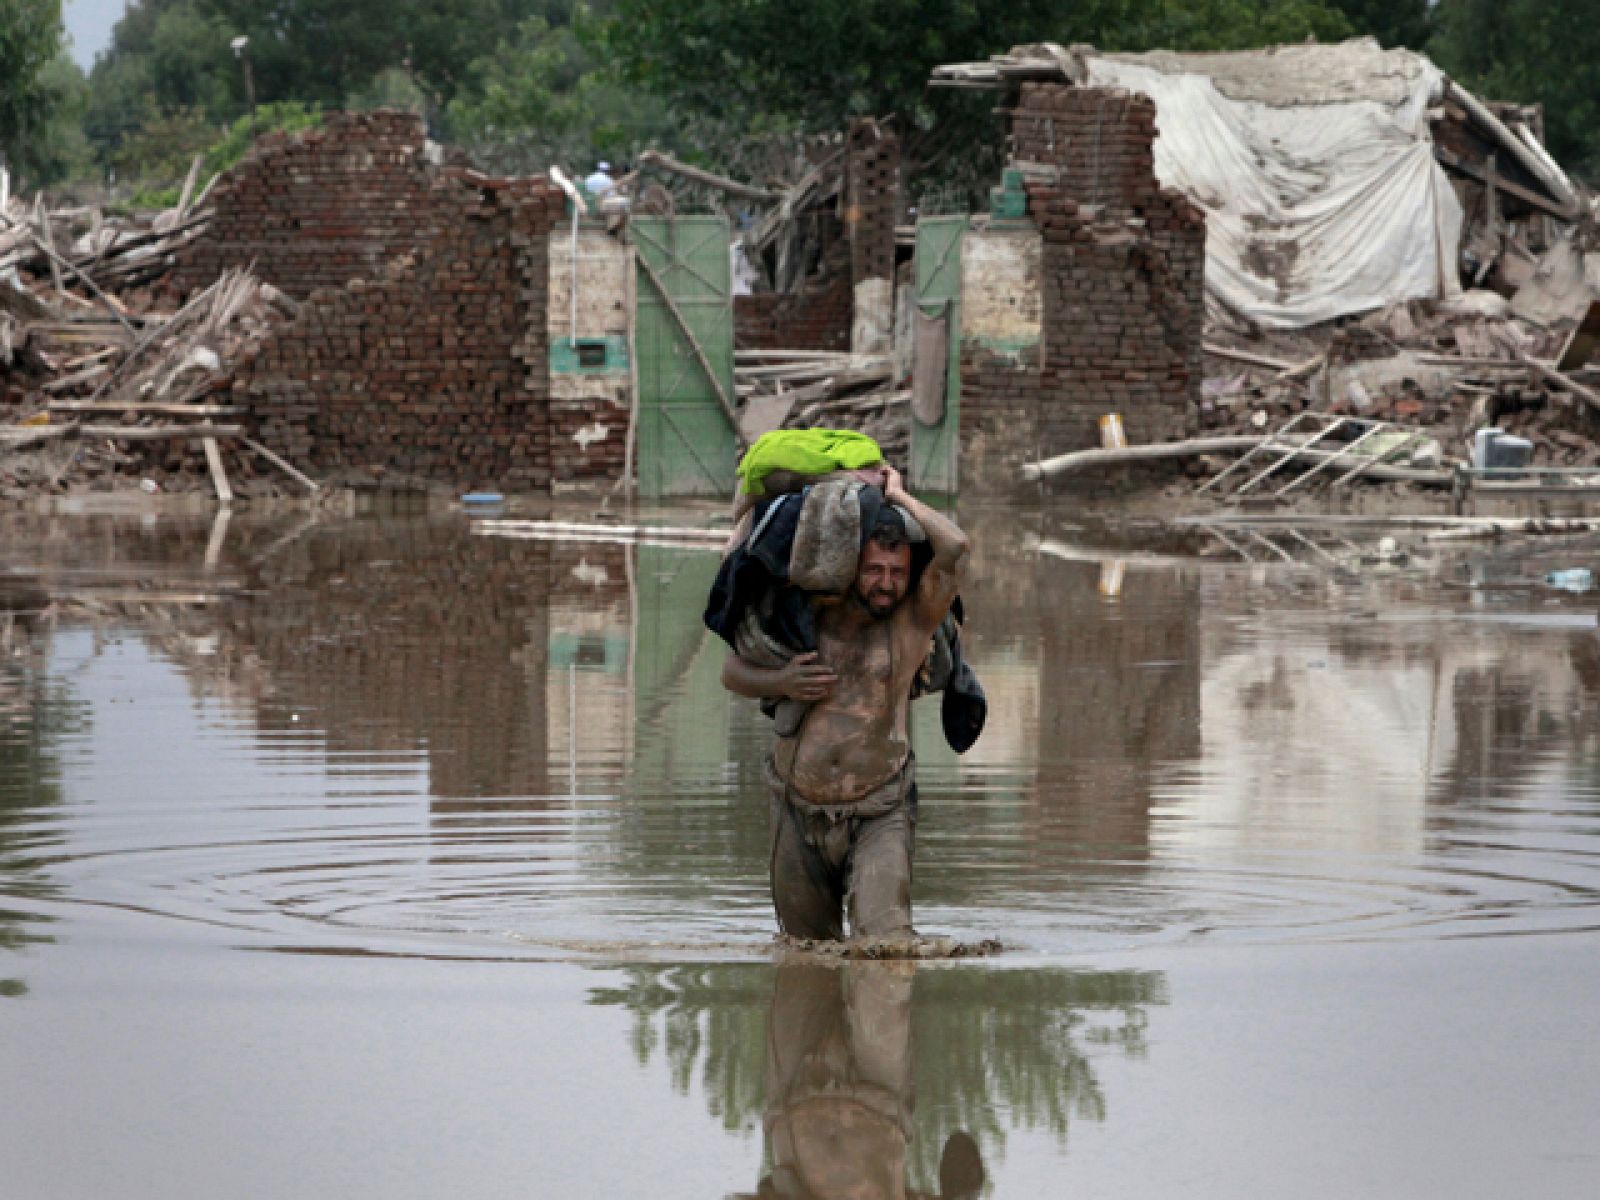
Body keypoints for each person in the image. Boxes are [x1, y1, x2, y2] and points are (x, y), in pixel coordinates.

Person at [720, 467, 970, 941]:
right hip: (795, 807)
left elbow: (956, 549)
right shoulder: (802, 616)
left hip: (880, 809)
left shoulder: (912, 623)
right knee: (804, 961)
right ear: (850, 565)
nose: (885, 583)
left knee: (887, 948)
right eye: (874, 569)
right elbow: (731, 673)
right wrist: (784, 681)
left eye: (897, 573)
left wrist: (899, 495)